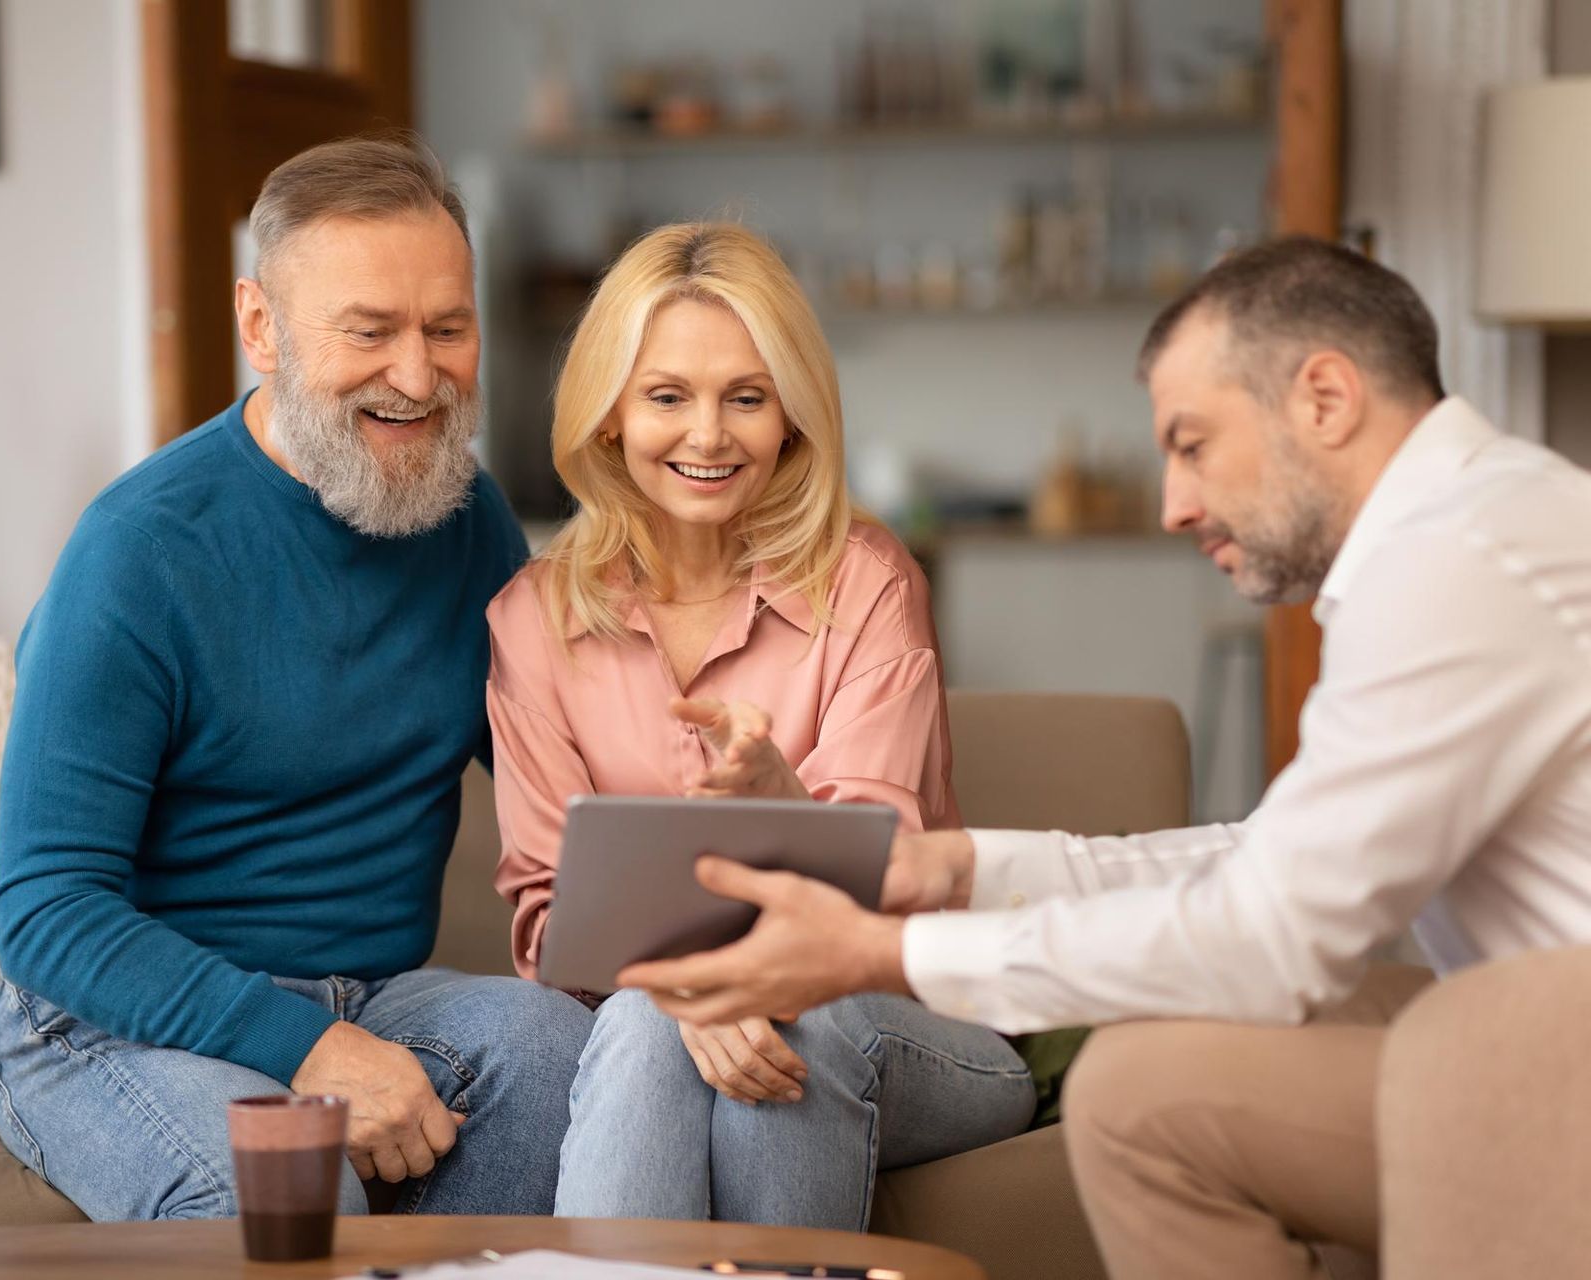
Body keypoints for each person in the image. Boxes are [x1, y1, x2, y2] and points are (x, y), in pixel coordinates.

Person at [618, 237, 1591, 1276]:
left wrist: (888, 956)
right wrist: (963, 867)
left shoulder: (1453, 567)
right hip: (1527, 1009)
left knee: (1139, 1094)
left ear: (1324, 397)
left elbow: (1274, 930)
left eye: (1194, 442)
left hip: (1551, 1041)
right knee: (1218, 1015)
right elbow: (1274, 855)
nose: (1172, 503)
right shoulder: (1476, 522)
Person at [0, 136, 592, 1222]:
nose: (418, 375)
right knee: (281, 1179)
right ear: (259, 325)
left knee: (558, 1049)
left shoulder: (471, 521)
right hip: (113, 1022)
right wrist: (307, 1044)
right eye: (370, 330)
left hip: (381, 998)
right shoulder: (139, 550)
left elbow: (570, 786)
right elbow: (45, 908)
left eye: (447, 329)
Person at [485, 221, 1035, 1232]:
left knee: (793, 1019)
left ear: (792, 415)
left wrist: (783, 798)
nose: (709, 434)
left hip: (904, 1010)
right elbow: (546, 913)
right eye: (667, 396)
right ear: (608, 413)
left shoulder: (868, 583)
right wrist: (700, 991)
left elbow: (888, 865)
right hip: (650, 1025)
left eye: (747, 395)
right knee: (653, 1019)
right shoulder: (535, 618)